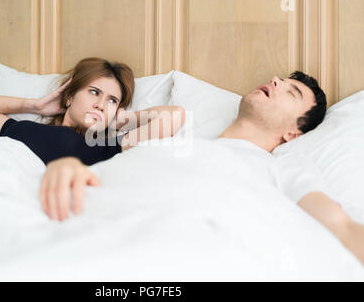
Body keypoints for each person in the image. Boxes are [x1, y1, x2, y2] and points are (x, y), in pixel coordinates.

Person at [49, 70, 364, 264]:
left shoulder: (283, 167)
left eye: (290, 91)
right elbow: (114, 175)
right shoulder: (175, 145)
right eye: (279, 79)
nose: (276, 81)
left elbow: (341, 228)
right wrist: (70, 167)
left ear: (293, 133)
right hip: (88, 227)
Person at [0, 56, 185, 210]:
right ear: (69, 97)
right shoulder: (28, 131)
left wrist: (123, 120)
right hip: (0, 194)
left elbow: (174, 116)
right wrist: (35, 106)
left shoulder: (107, 146)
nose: (100, 104)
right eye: (94, 92)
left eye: (112, 100)